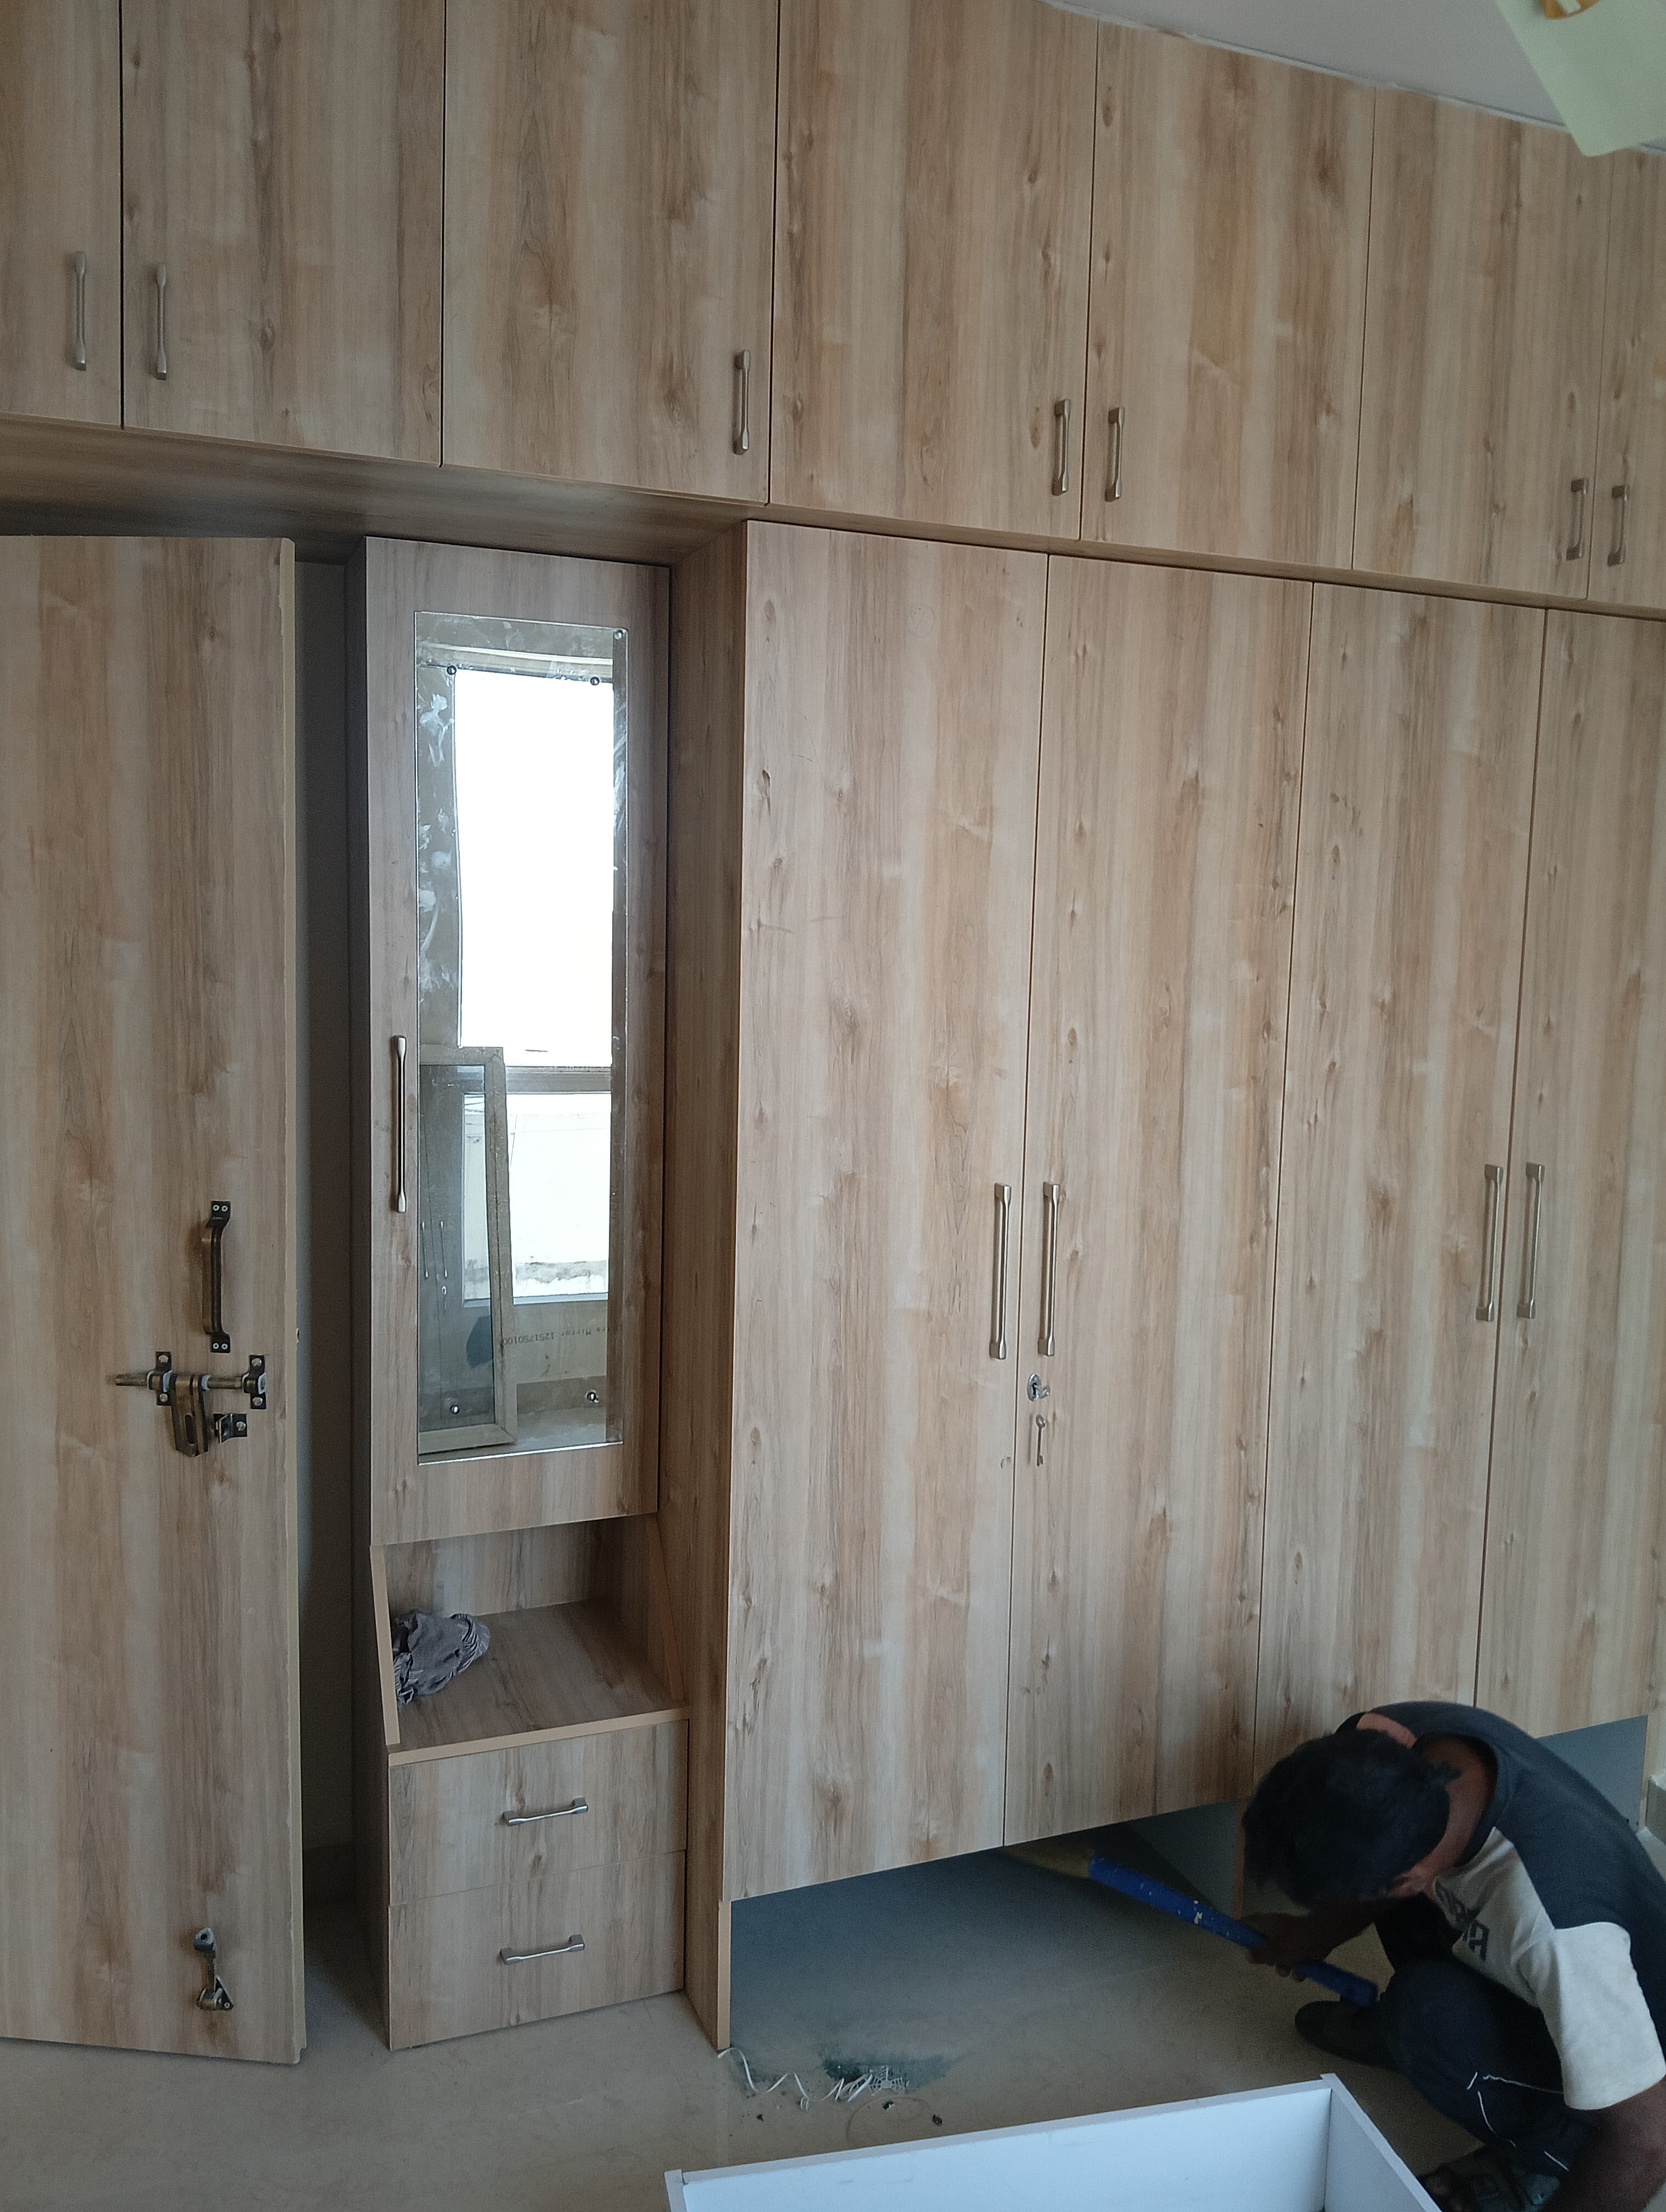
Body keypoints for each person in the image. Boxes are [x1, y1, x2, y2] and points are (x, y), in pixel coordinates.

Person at [1241, 1703, 1666, 2212]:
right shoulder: (1394, 1741)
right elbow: (1386, 1852)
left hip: (1639, 2077)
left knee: (1425, 2018)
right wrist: (1315, 1932)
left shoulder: (1558, 1930)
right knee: (1416, 1958)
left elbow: (1646, 2140)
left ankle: (1530, 2168)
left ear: (1406, 1881)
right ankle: (1413, 2044)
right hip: (1541, 1967)